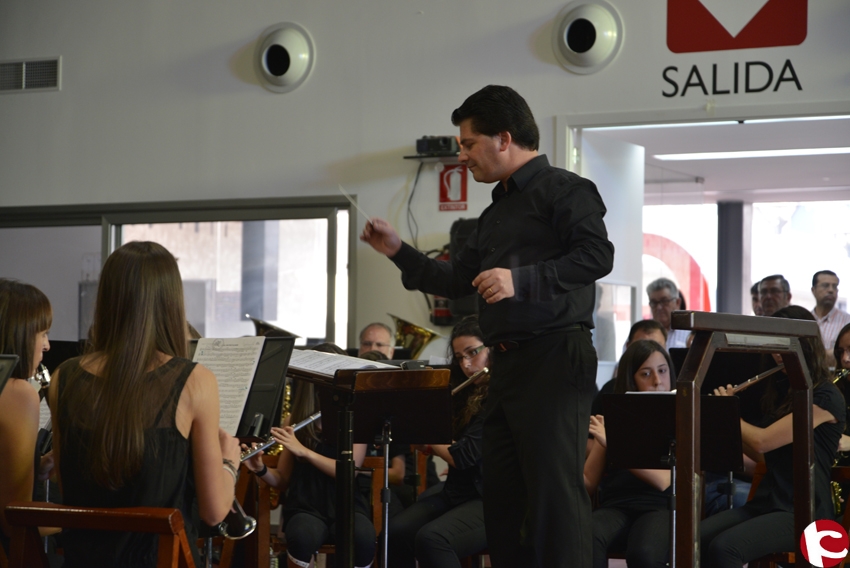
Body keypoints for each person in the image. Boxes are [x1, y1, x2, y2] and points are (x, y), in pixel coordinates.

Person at [361, 85, 614, 567]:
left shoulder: (566, 189)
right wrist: (397, 250)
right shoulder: (494, 212)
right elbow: (456, 279)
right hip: (506, 365)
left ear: (504, 138)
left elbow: (597, 256)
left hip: (555, 356)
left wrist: (521, 280)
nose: (461, 155)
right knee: (502, 497)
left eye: (468, 143)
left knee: (554, 499)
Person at [47, 241, 241, 567]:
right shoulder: (196, 381)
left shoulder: (62, 378)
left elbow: (68, 489)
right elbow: (213, 512)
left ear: (106, 299)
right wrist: (228, 464)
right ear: (171, 302)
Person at [700, 305, 844, 566]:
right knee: (695, 538)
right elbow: (761, 456)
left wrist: (728, 412)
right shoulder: (781, 392)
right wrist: (722, 420)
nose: (777, 353)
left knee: (725, 548)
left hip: (804, 509)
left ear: (805, 345)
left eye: (783, 344)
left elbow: (762, 442)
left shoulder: (824, 397)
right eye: (773, 344)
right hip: (769, 502)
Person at [244, 357, 376, 568]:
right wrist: (261, 469)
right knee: (302, 537)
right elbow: (283, 480)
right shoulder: (294, 420)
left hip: (346, 506)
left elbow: (348, 472)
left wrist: (304, 452)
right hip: (305, 506)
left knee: (363, 537)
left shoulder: (353, 419)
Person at [388, 315, 489, 567]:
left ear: (491, 348)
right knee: (396, 532)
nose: (466, 365)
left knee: (432, 539)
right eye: (459, 357)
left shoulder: (499, 398)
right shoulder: (467, 393)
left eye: (473, 353)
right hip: (459, 490)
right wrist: (424, 440)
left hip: (490, 497)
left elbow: (462, 457)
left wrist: (428, 432)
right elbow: (451, 443)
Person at [586, 339, 673, 568]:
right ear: (631, 380)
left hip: (661, 506)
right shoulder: (614, 415)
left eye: (662, 371)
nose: (658, 381)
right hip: (617, 505)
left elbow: (663, 481)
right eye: (646, 374)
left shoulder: (681, 415)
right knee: (585, 536)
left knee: (644, 553)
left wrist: (616, 444)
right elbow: (588, 482)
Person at [0, 279, 54, 555]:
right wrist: (89, 515)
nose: (47, 345)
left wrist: (37, 465)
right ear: (18, 334)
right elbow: (15, 520)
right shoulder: (18, 393)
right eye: (42, 333)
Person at [810, 270, 850, 367]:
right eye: (825, 285)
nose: (831, 290)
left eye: (835, 286)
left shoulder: (847, 321)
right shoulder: (805, 321)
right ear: (813, 290)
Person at [645, 278, 689, 349]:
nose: (659, 307)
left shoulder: (689, 334)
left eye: (664, 301)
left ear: (677, 303)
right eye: (654, 302)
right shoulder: (641, 333)